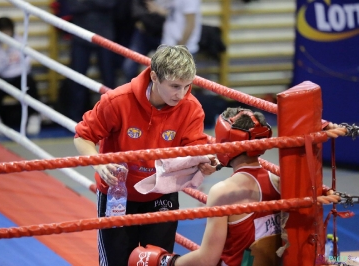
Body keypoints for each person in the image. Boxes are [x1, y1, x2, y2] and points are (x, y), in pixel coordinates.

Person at [74, 45, 218, 266]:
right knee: (116, 262)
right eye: (175, 86)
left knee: (159, 261)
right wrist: (99, 164)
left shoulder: (191, 107)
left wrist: (205, 164)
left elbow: (194, 150)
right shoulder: (118, 100)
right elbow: (83, 136)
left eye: (187, 86)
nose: (180, 94)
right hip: (119, 193)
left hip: (162, 191)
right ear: (154, 77)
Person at [128, 107, 282, 266]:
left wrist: (165, 261)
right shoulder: (278, 181)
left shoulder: (224, 192)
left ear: (226, 141)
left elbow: (207, 260)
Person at [0, 17, 41, 135]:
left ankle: (34, 116)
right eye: (2, 31)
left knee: (30, 82)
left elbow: (27, 64)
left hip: (17, 76)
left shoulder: (19, 40)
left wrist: (15, 68)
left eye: (7, 30)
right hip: (0, 77)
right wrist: (5, 55)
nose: (5, 34)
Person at [65, 0, 118, 122]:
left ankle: (111, 118)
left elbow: (110, 4)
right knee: (77, 78)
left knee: (108, 79)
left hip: (105, 35)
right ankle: (75, 118)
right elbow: (73, 6)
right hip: (81, 35)